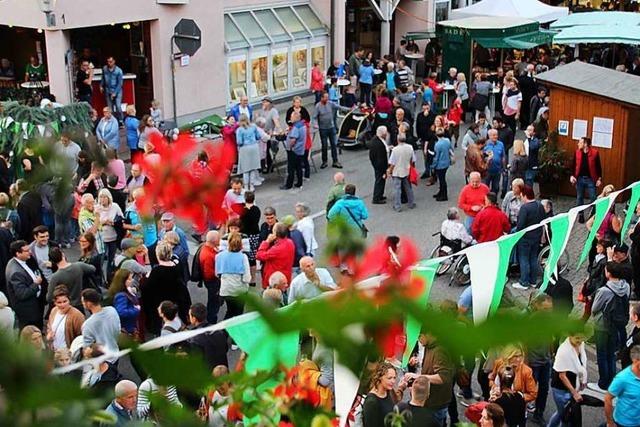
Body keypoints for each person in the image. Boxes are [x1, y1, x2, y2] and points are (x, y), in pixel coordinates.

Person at [589, 262, 631, 393]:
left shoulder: (604, 291)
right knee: (611, 354)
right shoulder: (626, 286)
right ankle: (612, 381)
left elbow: (595, 308)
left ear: (608, 274)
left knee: (602, 354)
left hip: (603, 325)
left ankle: (603, 383)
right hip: (617, 325)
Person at [140, 242, 191, 335]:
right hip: (174, 301)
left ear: (157, 254)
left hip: (159, 304)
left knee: (161, 328)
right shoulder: (176, 267)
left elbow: (145, 288)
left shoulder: (156, 272)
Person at [548, 333, 588, 427]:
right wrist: (574, 393)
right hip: (561, 389)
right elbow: (562, 376)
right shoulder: (564, 350)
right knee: (565, 416)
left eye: (581, 338)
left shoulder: (581, 345)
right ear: (570, 336)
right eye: (577, 338)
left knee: (562, 414)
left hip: (573, 386)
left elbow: (581, 364)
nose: (579, 341)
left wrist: (582, 381)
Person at [513, 186, 546, 290]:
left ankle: (524, 282)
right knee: (533, 258)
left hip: (525, 238)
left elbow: (520, 225)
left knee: (524, 259)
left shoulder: (525, 208)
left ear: (524, 195)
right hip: (536, 236)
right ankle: (533, 281)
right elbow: (543, 221)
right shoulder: (539, 205)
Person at [5, 240, 44, 329]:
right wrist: (36, 284)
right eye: (26, 251)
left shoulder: (17, 262)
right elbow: (22, 294)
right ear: (18, 253)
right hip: (27, 311)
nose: (30, 252)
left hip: (32, 306)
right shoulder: (16, 272)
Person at [604, 345, 640, 427]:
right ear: (635, 360)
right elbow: (607, 398)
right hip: (624, 423)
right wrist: (610, 423)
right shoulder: (622, 378)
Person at [186, 303, 229, 370]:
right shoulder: (219, 331)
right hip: (222, 371)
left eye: (189, 316)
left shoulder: (194, 339)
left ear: (194, 319)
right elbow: (225, 348)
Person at [81, 288, 120, 359]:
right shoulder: (112, 310)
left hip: (102, 359)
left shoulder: (88, 324)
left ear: (89, 303)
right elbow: (118, 330)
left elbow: (87, 349)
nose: (82, 304)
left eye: (83, 302)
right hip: (115, 353)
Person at [313, 91, 349, 169]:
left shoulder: (330, 103)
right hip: (323, 129)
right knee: (324, 145)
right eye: (325, 97)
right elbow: (315, 117)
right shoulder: (318, 106)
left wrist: (348, 109)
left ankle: (335, 161)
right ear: (321, 98)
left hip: (331, 127)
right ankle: (324, 161)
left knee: (333, 144)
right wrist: (315, 124)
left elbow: (339, 107)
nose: (327, 99)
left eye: (327, 97)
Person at [570, 137, 603, 222]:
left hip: (591, 179)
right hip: (579, 179)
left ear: (585, 144)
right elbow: (573, 165)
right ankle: (581, 215)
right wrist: (572, 175)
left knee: (593, 197)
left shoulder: (595, 153)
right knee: (579, 197)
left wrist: (599, 179)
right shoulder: (577, 152)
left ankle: (593, 214)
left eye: (580, 142)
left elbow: (598, 167)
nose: (578, 144)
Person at [46, 285, 84, 351]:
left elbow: (81, 336)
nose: (62, 305)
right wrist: (49, 334)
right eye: (59, 302)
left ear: (69, 300)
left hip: (68, 353)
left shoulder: (77, 315)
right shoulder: (54, 311)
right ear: (54, 302)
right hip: (55, 351)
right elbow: (49, 326)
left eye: (65, 301)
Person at [256, 223, 295, 288]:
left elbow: (259, 255)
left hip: (275, 281)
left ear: (276, 234)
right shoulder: (290, 242)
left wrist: (267, 241)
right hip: (285, 278)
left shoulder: (276, 249)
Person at [95, 188, 123, 279]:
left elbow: (121, 217)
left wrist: (115, 222)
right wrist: (104, 222)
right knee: (101, 260)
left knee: (111, 260)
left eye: (104, 197)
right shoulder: (97, 208)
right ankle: (100, 279)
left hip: (113, 237)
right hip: (102, 238)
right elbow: (95, 223)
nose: (102, 199)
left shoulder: (115, 206)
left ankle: (109, 278)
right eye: (101, 197)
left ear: (109, 198)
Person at [362, 362, 397, 427]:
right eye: (389, 378)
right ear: (380, 377)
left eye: (394, 378)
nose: (393, 381)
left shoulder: (388, 391)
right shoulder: (371, 402)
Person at [387, 134, 416, 212]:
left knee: (397, 190)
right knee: (408, 188)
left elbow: (392, 162)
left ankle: (397, 206)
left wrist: (389, 170)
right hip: (406, 170)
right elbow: (413, 159)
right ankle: (411, 203)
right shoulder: (410, 147)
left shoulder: (395, 150)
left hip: (397, 171)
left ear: (398, 140)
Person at [235, 114, 262, 191]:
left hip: (245, 148)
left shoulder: (239, 130)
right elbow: (258, 136)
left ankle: (246, 187)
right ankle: (252, 185)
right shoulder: (253, 127)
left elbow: (239, 142)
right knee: (253, 168)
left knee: (246, 169)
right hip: (254, 147)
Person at [110, 270, 140, 338]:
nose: (131, 280)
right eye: (129, 279)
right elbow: (121, 312)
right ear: (123, 281)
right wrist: (136, 310)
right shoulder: (121, 295)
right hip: (128, 328)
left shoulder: (126, 291)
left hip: (130, 326)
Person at [281, 111, 306, 190]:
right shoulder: (302, 125)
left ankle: (289, 185)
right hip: (300, 149)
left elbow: (293, 139)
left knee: (291, 168)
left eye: (291, 117)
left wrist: (290, 147)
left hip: (294, 150)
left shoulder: (296, 127)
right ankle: (299, 183)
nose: (290, 118)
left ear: (295, 117)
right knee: (299, 167)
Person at [369, 126, 390, 205]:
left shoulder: (376, 140)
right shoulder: (379, 144)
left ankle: (380, 195)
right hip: (380, 166)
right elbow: (381, 159)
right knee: (379, 181)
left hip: (377, 165)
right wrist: (385, 170)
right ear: (383, 134)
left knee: (381, 181)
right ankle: (376, 198)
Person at [101, 56, 124, 123]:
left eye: (110, 62)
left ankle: (121, 121)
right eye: (108, 62)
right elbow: (103, 78)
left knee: (118, 106)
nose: (109, 63)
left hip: (117, 90)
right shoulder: (105, 68)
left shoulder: (119, 70)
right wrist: (101, 85)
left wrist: (115, 93)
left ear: (114, 61)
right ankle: (113, 121)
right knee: (110, 108)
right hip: (108, 90)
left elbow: (120, 83)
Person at [483, 129, 506, 195]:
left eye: (496, 135)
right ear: (489, 136)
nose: (495, 136)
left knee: (495, 187)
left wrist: (504, 168)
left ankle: (494, 201)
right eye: (493, 135)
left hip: (497, 170)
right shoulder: (485, 145)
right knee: (485, 187)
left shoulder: (501, 144)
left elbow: (503, 157)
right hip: (487, 171)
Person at [432, 128, 452, 202]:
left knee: (442, 180)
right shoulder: (447, 141)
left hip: (440, 164)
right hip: (446, 162)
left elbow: (436, 157)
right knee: (442, 179)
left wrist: (433, 166)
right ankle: (441, 193)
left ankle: (444, 195)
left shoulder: (437, 145)